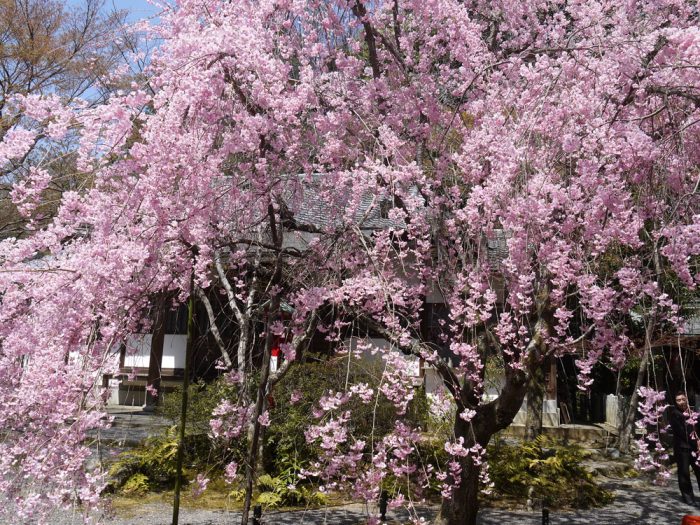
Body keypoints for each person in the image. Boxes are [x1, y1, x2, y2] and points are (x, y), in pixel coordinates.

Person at [668, 391, 700, 505]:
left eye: (683, 399)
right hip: (682, 449)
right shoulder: (674, 414)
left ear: (686, 399)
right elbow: (682, 432)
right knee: (684, 473)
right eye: (678, 400)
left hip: (696, 448)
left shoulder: (694, 412)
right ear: (675, 402)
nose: (681, 402)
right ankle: (688, 497)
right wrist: (696, 440)